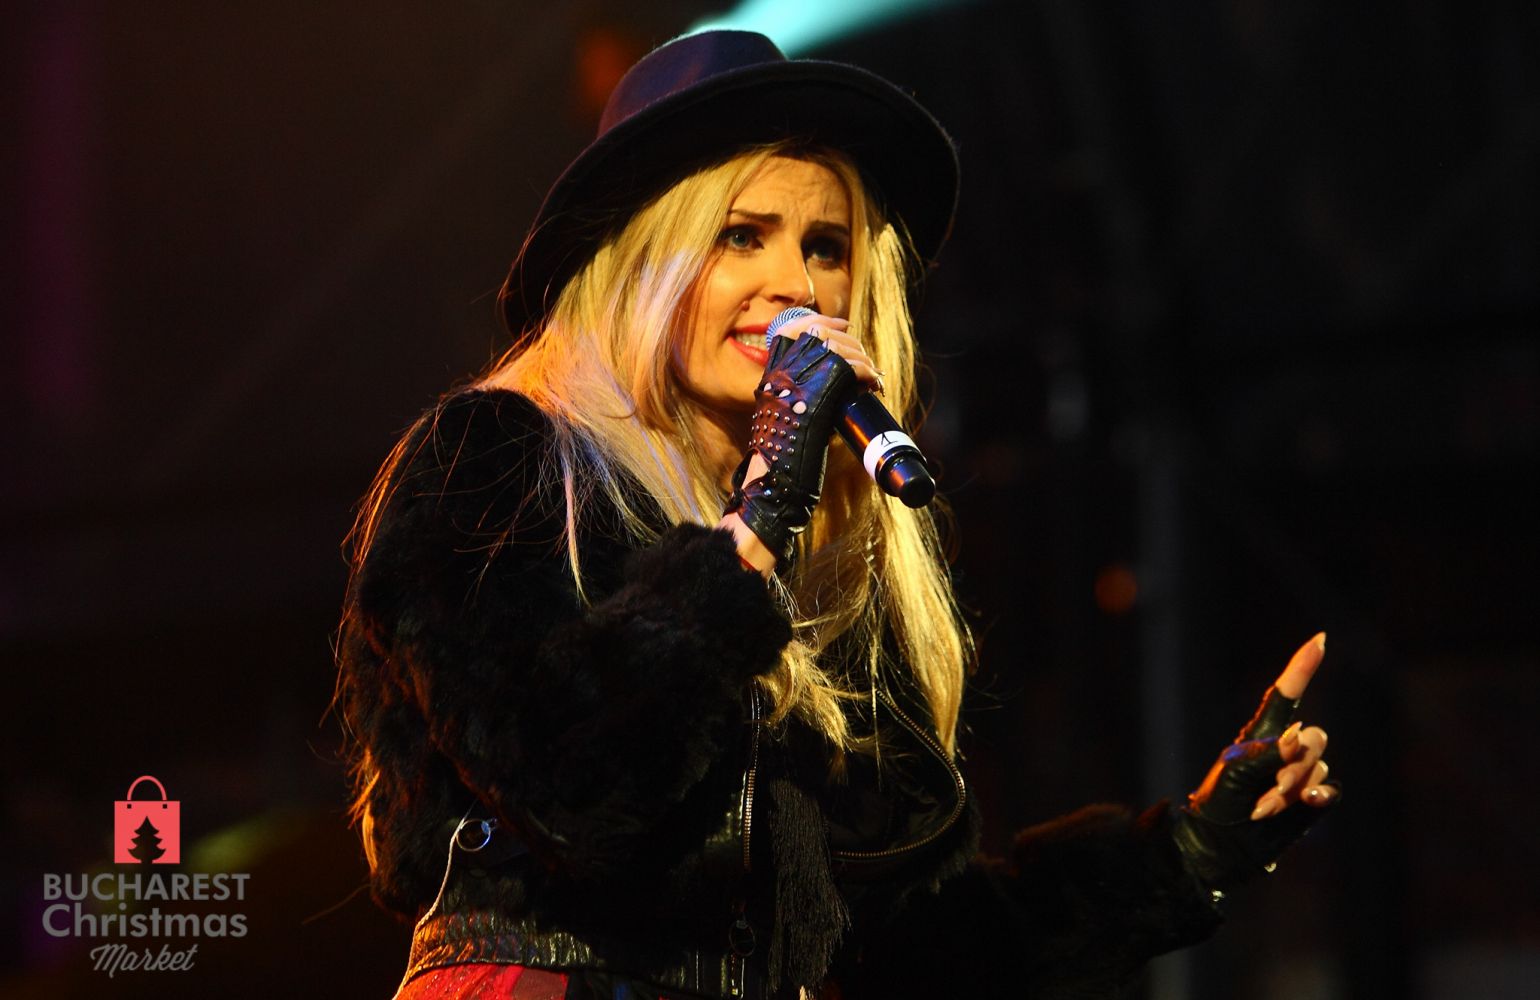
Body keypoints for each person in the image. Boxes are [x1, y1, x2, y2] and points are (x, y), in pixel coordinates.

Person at [333, 30, 1338, 1000]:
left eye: (826, 246)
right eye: (740, 236)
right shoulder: (497, 462)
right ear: (642, 258)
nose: (796, 286)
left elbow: (918, 950)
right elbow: (568, 787)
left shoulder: (827, 563)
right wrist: (760, 512)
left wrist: (1193, 850)